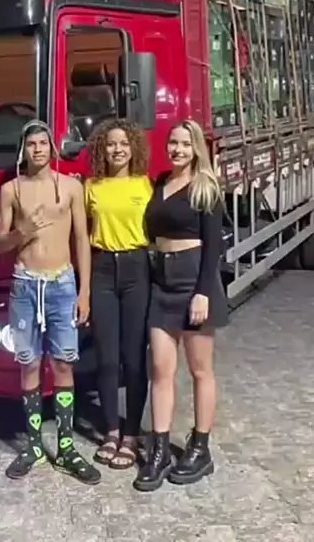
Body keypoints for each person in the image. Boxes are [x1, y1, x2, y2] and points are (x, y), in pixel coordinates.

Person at [0, 119, 101, 485]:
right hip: (25, 285)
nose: (38, 149)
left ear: (52, 148)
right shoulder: (11, 190)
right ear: (23, 150)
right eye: (32, 144)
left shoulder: (71, 186)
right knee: (28, 364)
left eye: (43, 143)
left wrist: (84, 291)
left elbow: (82, 240)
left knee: (63, 363)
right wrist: (20, 233)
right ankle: (35, 446)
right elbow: (0, 243)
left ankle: (67, 447)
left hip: (62, 285)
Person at [134, 119, 228, 492]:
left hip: (194, 281)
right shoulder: (160, 182)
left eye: (185, 144)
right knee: (160, 368)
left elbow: (214, 246)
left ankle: (200, 448)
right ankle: (158, 451)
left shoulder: (206, 187)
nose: (177, 149)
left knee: (200, 370)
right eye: (173, 143)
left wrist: (203, 292)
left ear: (196, 149)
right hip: (162, 280)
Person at [85, 118, 152, 469]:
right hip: (102, 270)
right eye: (111, 143)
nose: (117, 149)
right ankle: (112, 431)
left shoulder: (146, 185)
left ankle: (132, 434)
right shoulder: (91, 187)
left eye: (124, 143)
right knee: (107, 357)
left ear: (133, 147)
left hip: (137, 269)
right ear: (102, 149)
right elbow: (80, 235)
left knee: (134, 358)